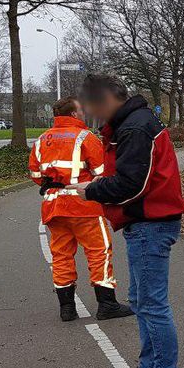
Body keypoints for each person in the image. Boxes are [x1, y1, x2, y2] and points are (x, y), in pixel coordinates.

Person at [71, 74, 184, 368]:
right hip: (145, 223)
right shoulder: (131, 124)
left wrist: (93, 190)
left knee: (152, 305)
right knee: (142, 302)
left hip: (150, 224)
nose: (93, 112)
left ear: (109, 98)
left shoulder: (135, 127)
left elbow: (131, 185)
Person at [29, 97, 134, 322]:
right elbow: (102, 173)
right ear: (74, 115)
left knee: (61, 256)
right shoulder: (86, 137)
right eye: (81, 111)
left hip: (54, 207)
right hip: (84, 206)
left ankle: (67, 308)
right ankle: (107, 304)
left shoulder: (42, 140)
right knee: (99, 252)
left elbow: (36, 175)